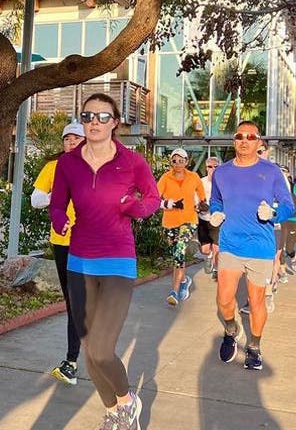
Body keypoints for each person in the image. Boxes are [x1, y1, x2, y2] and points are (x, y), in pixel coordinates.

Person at [50, 93, 160, 430]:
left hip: (117, 261)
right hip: (79, 262)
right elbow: (57, 205)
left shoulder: (132, 161)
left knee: (101, 350)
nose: (94, 122)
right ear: (82, 122)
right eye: (88, 116)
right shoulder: (68, 163)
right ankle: (113, 411)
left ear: (115, 123)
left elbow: (152, 198)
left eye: (102, 116)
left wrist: (135, 208)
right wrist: (59, 221)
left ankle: (128, 401)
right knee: (88, 350)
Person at [207, 121, 294, 371]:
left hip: (260, 248)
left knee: (256, 302)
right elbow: (216, 200)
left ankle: (254, 346)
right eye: (239, 136)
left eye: (250, 136)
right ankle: (231, 329)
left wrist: (274, 213)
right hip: (231, 244)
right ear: (234, 141)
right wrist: (215, 212)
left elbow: (288, 205)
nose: (244, 140)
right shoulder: (222, 172)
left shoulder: (271, 171)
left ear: (259, 143)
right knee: (224, 299)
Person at [30, 121, 87, 386]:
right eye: (67, 139)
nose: (71, 143)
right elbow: (35, 199)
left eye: (77, 138)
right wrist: (58, 195)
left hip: (92, 241)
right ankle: (72, 361)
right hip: (62, 240)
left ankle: (74, 358)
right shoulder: (53, 168)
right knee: (73, 302)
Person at [156, 148, 206, 306]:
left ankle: (174, 291)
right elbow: (155, 198)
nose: (177, 163)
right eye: (174, 160)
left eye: (181, 160)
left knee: (179, 251)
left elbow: (201, 194)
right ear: (171, 162)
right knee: (176, 255)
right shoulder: (165, 178)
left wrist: (203, 204)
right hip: (169, 222)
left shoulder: (194, 177)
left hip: (189, 220)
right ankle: (184, 280)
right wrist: (169, 203)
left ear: (187, 161)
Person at [197, 156, 221, 280]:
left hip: (217, 220)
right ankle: (209, 255)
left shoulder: (223, 183)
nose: (213, 169)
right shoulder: (201, 182)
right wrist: (200, 206)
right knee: (205, 249)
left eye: (216, 166)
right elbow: (195, 201)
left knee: (217, 247)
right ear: (206, 168)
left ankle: (216, 270)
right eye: (210, 167)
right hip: (203, 219)